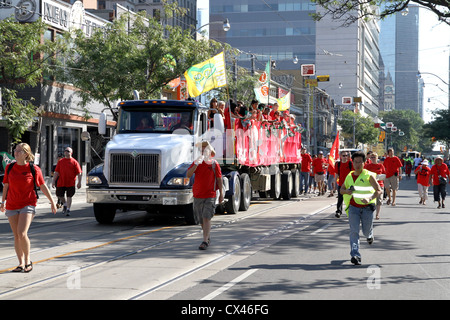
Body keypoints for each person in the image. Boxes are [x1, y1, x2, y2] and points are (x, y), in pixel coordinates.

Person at [1, 143, 57, 273]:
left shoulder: (33, 169)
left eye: (19, 151)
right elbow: (6, 185)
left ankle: (27, 261)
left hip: (28, 204)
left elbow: (42, 186)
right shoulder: (9, 168)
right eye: (15, 150)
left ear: (26, 154)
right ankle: (20, 263)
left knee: (22, 233)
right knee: (16, 236)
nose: (16, 153)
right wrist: (2, 202)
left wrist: (52, 202)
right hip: (12, 204)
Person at [340, 151, 382, 265]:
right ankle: (355, 255)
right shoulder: (350, 176)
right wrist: (347, 191)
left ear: (364, 163)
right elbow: (341, 190)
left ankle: (370, 235)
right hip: (353, 208)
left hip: (367, 208)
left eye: (360, 162)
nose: (357, 164)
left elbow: (379, 190)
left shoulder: (369, 176)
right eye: (355, 162)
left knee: (366, 231)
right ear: (352, 163)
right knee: (354, 232)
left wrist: (369, 198)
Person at [187, 141, 224, 250]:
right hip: (198, 195)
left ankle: (204, 241)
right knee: (201, 219)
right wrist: (196, 164)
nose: (203, 152)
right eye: (202, 150)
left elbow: (219, 179)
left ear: (209, 152)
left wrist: (221, 194)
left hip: (210, 195)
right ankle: (207, 237)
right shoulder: (196, 162)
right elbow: (188, 175)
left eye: (205, 150)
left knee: (206, 217)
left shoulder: (214, 164)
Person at [52, 147, 82, 216]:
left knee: (69, 196)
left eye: (68, 151)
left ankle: (68, 209)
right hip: (61, 182)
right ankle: (64, 204)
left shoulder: (74, 162)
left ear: (71, 153)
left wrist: (79, 182)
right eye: (65, 151)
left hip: (70, 182)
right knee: (59, 195)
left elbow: (79, 173)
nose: (66, 152)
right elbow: (56, 172)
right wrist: (53, 181)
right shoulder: (60, 161)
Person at [364, 152, 386, 219]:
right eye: (371, 157)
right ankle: (370, 214)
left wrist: (380, 177)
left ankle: (377, 214)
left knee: (379, 200)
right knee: (370, 199)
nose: (373, 159)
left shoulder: (380, 165)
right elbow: (364, 174)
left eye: (374, 157)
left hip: (380, 184)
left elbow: (385, 174)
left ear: (377, 158)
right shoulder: (367, 166)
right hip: (370, 185)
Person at [335, 151, 354, 218]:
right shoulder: (338, 164)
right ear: (340, 156)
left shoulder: (350, 163)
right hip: (341, 184)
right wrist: (334, 183)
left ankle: (351, 211)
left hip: (349, 184)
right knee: (340, 199)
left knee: (350, 198)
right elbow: (336, 174)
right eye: (343, 155)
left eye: (346, 155)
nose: (345, 157)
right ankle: (338, 211)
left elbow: (353, 173)